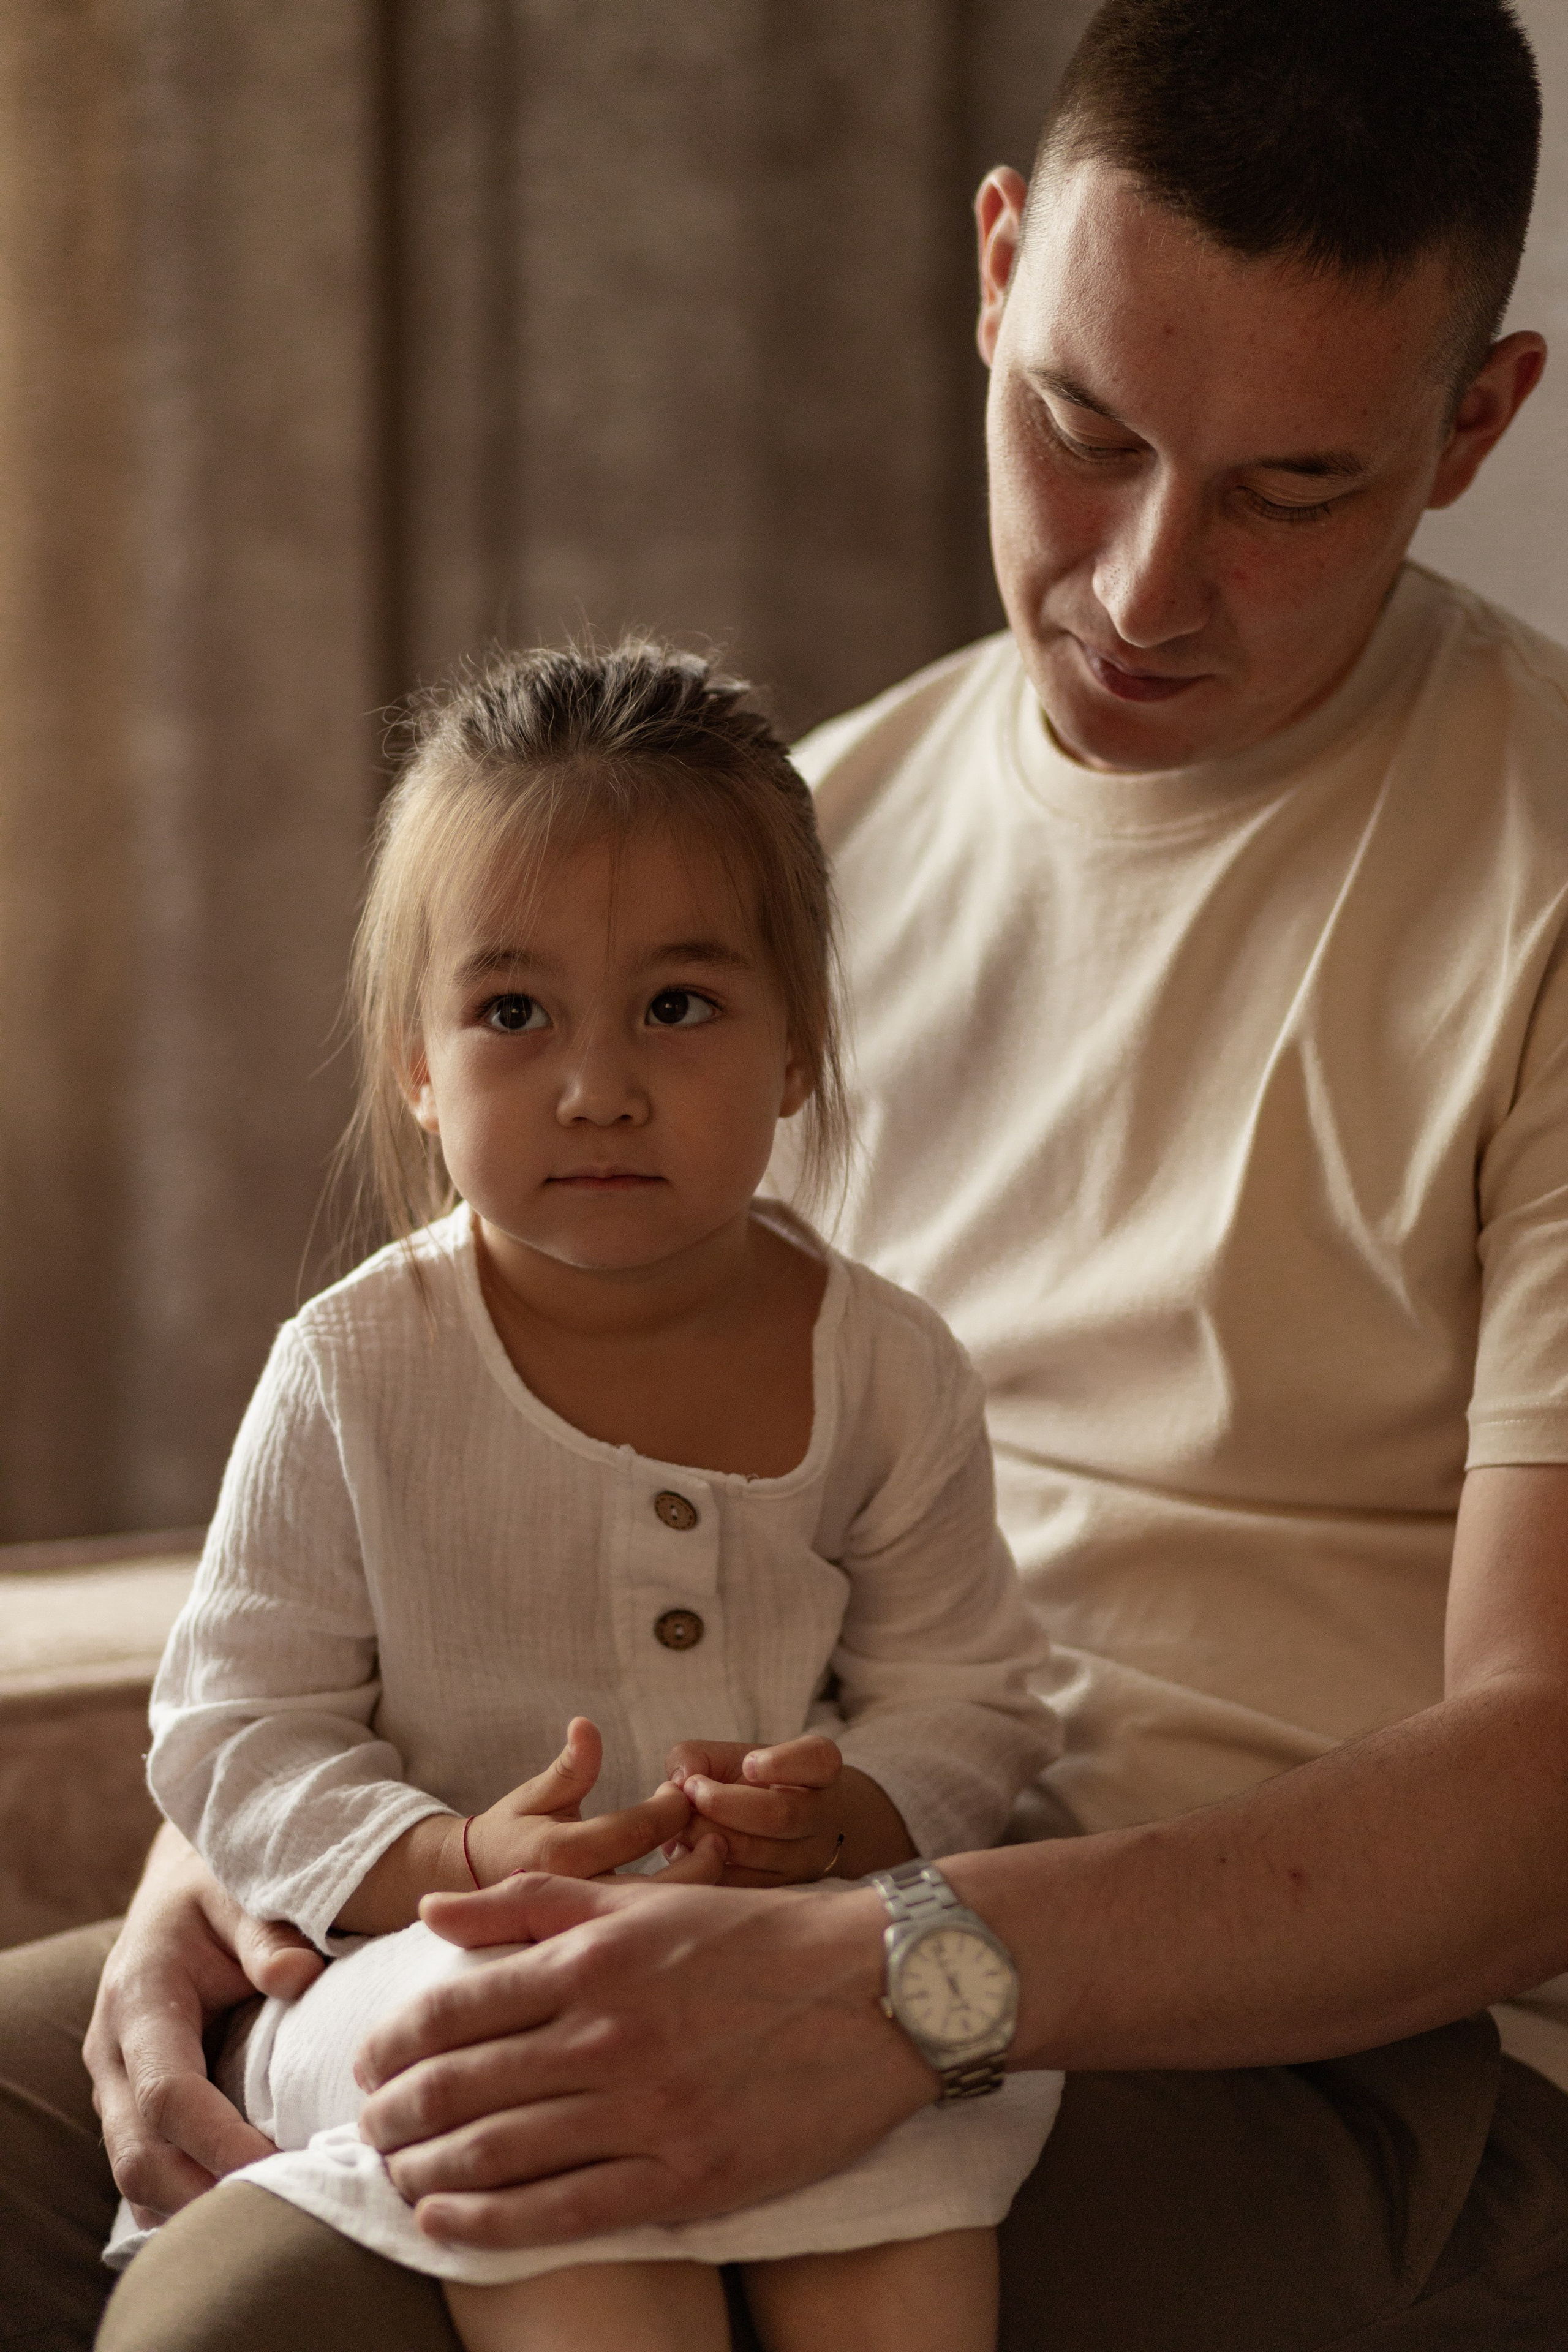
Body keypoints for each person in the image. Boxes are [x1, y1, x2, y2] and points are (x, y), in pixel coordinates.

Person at [4, 0, 1568, 2346]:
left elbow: (1544, 1781)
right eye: (1083, 428)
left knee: (261, 2321)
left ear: (1478, 422)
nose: (1146, 588)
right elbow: (453, 1437)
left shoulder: (1537, 890)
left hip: (1307, 2041)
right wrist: (230, 1862)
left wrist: (902, 1971)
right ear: (996, 260)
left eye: (1290, 494)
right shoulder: (799, 851)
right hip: (707, 1887)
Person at [95, 641, 1060, 2352]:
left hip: (768, 1963)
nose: (596, 1085)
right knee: (563, 2164)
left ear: (792, 1051)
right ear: (416, 1063)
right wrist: (444, 1852)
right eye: (513, 1014)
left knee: (910, 2223)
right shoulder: (355, 1368)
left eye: (677, 1009)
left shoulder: (888, 1369)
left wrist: (851, 1817)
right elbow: (235, 1730)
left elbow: (972, 1698)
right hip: (432, 1970)